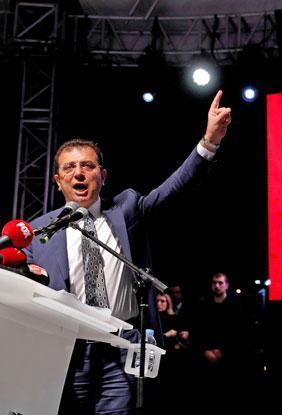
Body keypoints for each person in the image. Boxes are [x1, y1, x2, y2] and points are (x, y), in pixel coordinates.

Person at [24, 90, 231, 414]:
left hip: (120, 350)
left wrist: (209, 142)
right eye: (69, 168)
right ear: (58, 180)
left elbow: (174, 189)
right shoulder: (38, 233)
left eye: (87, 165)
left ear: (102, 176)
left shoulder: (127, 210)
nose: (79, 173)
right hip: (67, 354)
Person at [191, 272, 253, 414]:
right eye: (214, 283)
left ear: (227, 285)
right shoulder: (204, 305)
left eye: (220, 283)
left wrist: (222, 351)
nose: (217, 286)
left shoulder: (236, 306)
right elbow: (198, 331)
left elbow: (240, 333)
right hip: (206, 357)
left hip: (229, 359)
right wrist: (205, 350)